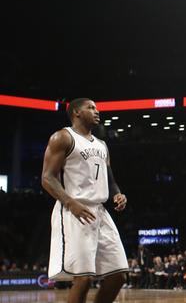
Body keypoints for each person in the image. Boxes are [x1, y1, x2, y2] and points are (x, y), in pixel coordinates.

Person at [41, 98, 128, 303]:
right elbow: (47, 178)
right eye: (90, 107)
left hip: (99, 211)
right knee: (84, 279)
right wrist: (71, 203)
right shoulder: (63, 137)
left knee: (118, 276)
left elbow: (109, 178)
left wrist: (117, 193)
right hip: (74, 210)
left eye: (96, 107)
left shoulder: (102, 145)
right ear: (76, 113)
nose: (97, 111)